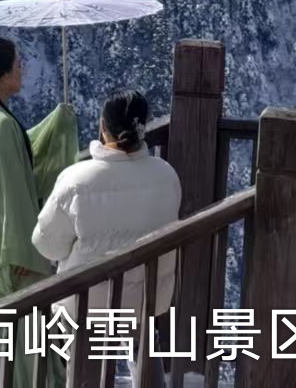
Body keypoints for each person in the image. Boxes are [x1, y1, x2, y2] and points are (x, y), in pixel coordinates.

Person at [0, 36, 79, 388]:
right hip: (14, 264)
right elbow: (11, 198)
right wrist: (29, 251)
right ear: (0, 73)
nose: (21, 67)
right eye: (16, 62)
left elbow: (19, 160)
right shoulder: (0, 125)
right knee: (27, 358)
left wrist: (58, 124)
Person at [33, 89, 184, 387]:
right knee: (141, 333)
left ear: (103, 126)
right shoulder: (166, 174)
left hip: (89, 304)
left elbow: (45, 243)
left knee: (58, 325)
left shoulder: (78, 179)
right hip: (146, 296)